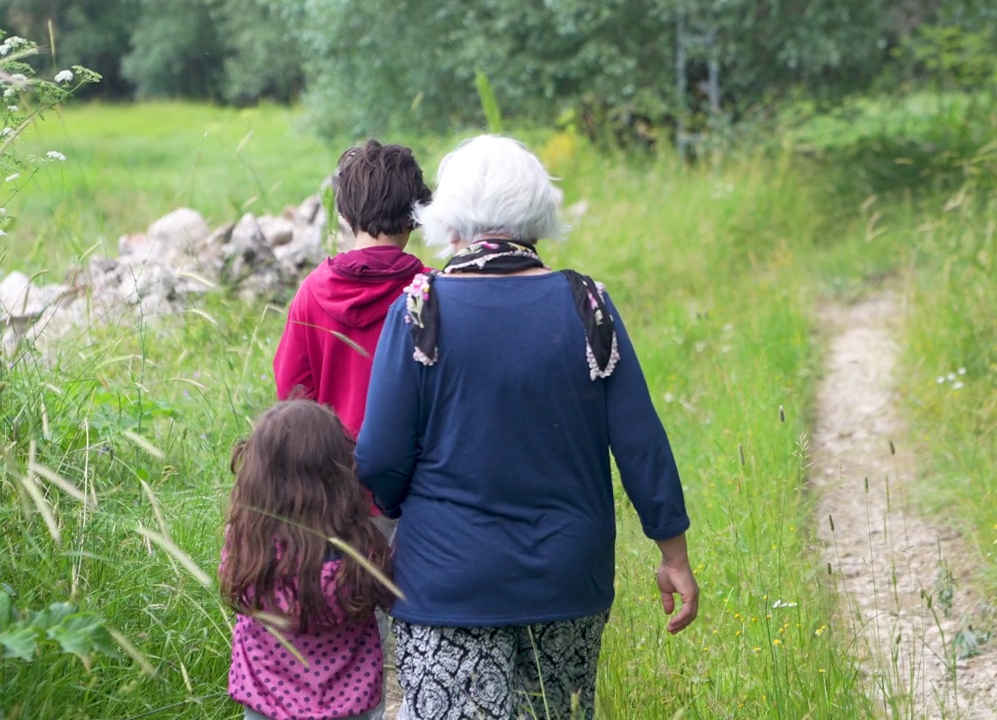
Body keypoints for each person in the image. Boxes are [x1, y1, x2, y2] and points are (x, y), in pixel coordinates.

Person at [354, 135, 699, 719]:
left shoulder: (419, 309)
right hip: (566, 580)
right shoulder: (586, 304)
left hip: (446, 583)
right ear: (538, 214)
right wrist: (674, 554)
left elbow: (381, 456)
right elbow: (642, 445)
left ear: (450, 220)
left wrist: (401, 513)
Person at [219, 400, 394, 720]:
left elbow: (230, 578)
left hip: (265, 704)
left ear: (259, 478)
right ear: (338, 470)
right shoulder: (360, 550)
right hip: (348, 707)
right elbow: (388, 595)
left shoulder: (249, 547)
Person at [273, 139, 432, 439]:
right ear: (417, 216)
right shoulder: (433, 290)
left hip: (334, 475)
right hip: (417, 477)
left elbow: (292, 394)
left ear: (345, 216)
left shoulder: (312, 292)